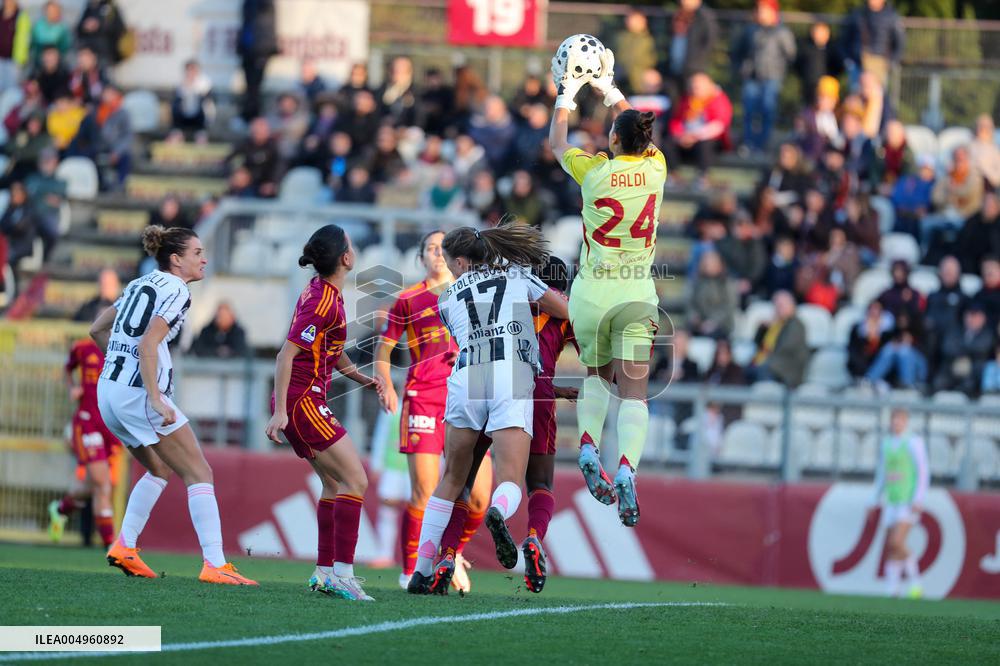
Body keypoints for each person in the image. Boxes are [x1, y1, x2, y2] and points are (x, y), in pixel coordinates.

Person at [403, 222, 569, 593]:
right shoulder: (516, 274)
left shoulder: (446, 299)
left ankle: (422, 571)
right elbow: (562, 309)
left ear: (461, 263)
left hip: (467, 377)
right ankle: (499, 512)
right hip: (511, 373)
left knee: (451, 480)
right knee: (510, 477)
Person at [89, 225, 257, 585]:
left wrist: (121, 370)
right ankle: (215, 564)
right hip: (139, 395)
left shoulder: (139, 283)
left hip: (109, 392)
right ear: (177, 260)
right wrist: (153, 396)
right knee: (200, 473)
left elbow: (97, 329)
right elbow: (150, 341)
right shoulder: (177, 289)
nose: (204, 258)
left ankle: (125, 546)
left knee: (160, 470)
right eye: (197, 253)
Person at [549, 48, 667, 527]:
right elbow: (632, 123)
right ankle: (626, 469)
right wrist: (611, 89)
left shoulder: (595, 172)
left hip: (592, 293)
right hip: (637, 290)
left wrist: (569, 92)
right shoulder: (657, 169)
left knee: (596, 376)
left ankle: (588, 446)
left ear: (613, 141)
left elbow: (556, 142)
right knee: (634, 392)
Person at [265, 224, 383, 601]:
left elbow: (329, 344)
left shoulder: (322, 292)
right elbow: (287, 354)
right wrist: (280, 411)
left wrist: (356, 376)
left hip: (303, 400)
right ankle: (344, 574)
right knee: (357, 481)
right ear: (346, 258)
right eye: (350, 245)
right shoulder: (323, 300)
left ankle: (324, 572)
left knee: (334, 485)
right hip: (303, 402)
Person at [374, 230, 493, 593]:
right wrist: (385, 381)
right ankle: (412, 572)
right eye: (430, 247)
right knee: (424, 491)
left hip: (468, 397)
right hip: (424, 396)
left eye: (443, 247)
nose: (437, 253)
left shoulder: (478, 294)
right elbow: (383, 349)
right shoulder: (408, 299)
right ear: (421, 257)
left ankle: (451, 553)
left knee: (478, 498)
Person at [48, 337, 123, 548]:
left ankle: (61, 508)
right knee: (103, 483)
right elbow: (67, 368)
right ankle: (111, 544)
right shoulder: (82, 347)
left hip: (110, 426)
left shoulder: (125, 349)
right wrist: (72, 387)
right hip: (87, 422)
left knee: (93, 485)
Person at [870, 408, 928, 598]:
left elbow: (922, 471)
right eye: (894, 420)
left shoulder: (913, 442)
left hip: (907, 500)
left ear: (906, 422)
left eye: (900, 420)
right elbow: (882, 474)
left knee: (897, 541)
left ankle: (916, 581)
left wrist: (918, 498)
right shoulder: (886, 443)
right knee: (892, 545)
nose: (896, 423)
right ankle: (892, 589)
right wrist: (874, 499)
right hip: (892, 499)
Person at [730, 0, 795, 154]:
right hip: (752, 76)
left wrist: (778, 68)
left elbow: (790, 54)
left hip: (772, 76)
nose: (760, 13)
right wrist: (742, 67)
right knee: (749, 112)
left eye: (764, 10)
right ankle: (748, 144)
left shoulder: (782, 32)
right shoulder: (751, 30)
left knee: (767, 111)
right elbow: (738, 52)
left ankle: (762, 145)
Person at [666, 71, 732, 180]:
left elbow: (719, 125)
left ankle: (702, 177)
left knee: (705, 145)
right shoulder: (688, 99)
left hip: (708, 140)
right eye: (692, 87)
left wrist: (694, 136)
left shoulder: (718, 99)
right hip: (686, 139)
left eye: (698, 87)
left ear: (709, 86)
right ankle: (673, 175)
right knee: (668, 143)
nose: (694, 90)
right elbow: (676, 120)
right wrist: (680, 136)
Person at [747, 290, 811, 387]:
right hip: (768, 364)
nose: (778, 309)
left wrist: (767, 353)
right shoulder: (775, 325)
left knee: (761, 372)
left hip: (784, 369)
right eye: (776, 305)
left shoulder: (796, 325)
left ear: (792, 306)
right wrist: (762, 329)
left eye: (781, 306)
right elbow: (757, 344)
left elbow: (785, 349)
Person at [662, 0, 718, 103]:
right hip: (675, 69)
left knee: (691, 103)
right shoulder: (679, 14)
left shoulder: (704, 16)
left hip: (693, 70)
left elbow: (709, 41)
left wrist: (697, 62)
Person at [842, 0, 905, 89]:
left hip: (880, 66)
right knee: (857, 96)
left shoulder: (892, 17)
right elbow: (844, 40)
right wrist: (848, 61)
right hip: (858, 64)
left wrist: (891, 63)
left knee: (876, 96)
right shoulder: (858, 14)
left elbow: (900, 43)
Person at [237, 0, 278, 122]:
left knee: (255, 86)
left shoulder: (265, 3)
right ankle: (248, 115)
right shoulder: (248, 3)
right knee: (249, 86)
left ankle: (253, 116)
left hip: (260, 50)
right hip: (247, 50)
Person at [613, 8, 657, 95]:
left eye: (635, 19)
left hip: (640, 74)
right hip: (620, 73)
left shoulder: (648, 39)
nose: (631, 21)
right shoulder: (620, 38)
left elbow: (653, 59)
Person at [847, 300, 894, 378]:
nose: (874, 311)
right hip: (862, 364)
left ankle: (870, 379)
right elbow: (852, 349)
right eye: (872, 308)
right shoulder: (858, 328)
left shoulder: (888, 331)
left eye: (877, 309)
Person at [170, 60, 215, 139]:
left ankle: (201, 133)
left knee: (204, 103)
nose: (191, 72)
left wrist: (193, 85)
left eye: (193, 69)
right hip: (183, 118)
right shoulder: (180, 83)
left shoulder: (205, 82)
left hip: (200, 118)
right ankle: (177, 132)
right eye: (189, 70)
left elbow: (206, 98)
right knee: (176, 103)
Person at [75, 0, 126, 66]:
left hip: (106, 55)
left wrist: (99, 26)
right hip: (88, 56)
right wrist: (84, 26)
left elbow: (119, 28)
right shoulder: (89, 7)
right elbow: (78, 29)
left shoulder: (110, 7)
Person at [0, 0, 30, 93]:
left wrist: (21, 60)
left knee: (11, 89)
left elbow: (25, 39)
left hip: (14, 61)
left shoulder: (21, 16)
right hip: (0, 58)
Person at [29, 1, 70, 65]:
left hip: (57, 63)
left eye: (53, 10)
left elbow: (66, 46)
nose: (51, 13)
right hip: (39, 61)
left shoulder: (63, 27)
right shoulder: (38, 26)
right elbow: (33, 43)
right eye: (49, 10)